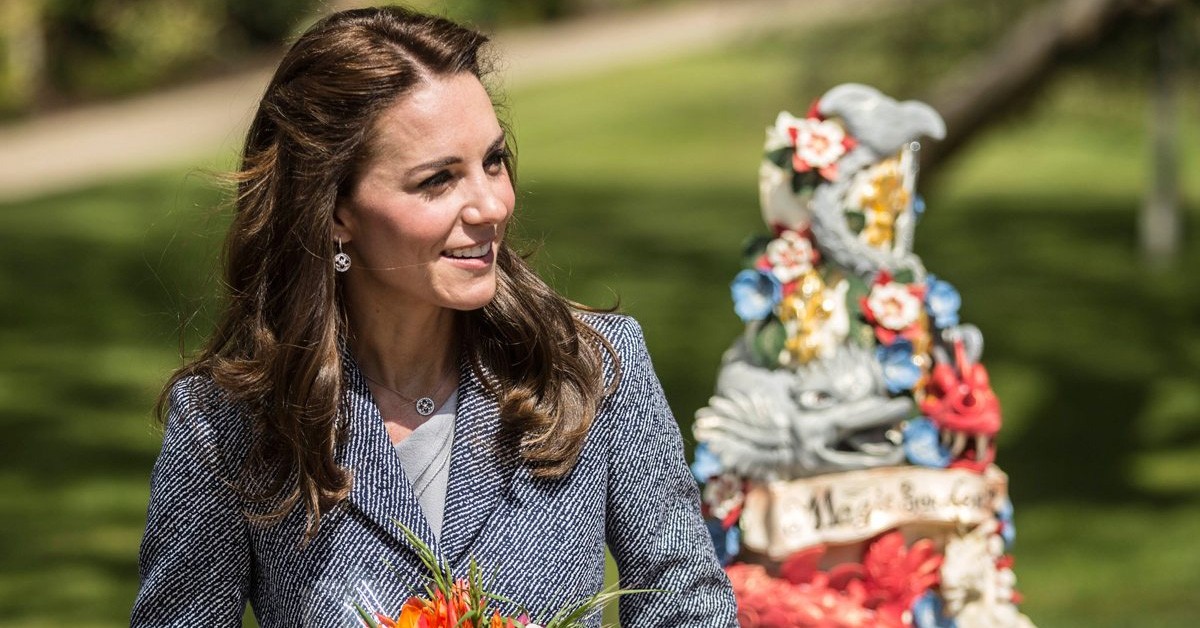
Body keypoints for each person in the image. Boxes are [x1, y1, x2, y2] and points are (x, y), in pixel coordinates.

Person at [131, 6, 736, 627]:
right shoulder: (229, 423)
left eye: (493, 161)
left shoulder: (590, 363)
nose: (491, 204)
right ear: (336, 210)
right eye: (439, 180)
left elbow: (687, 605)